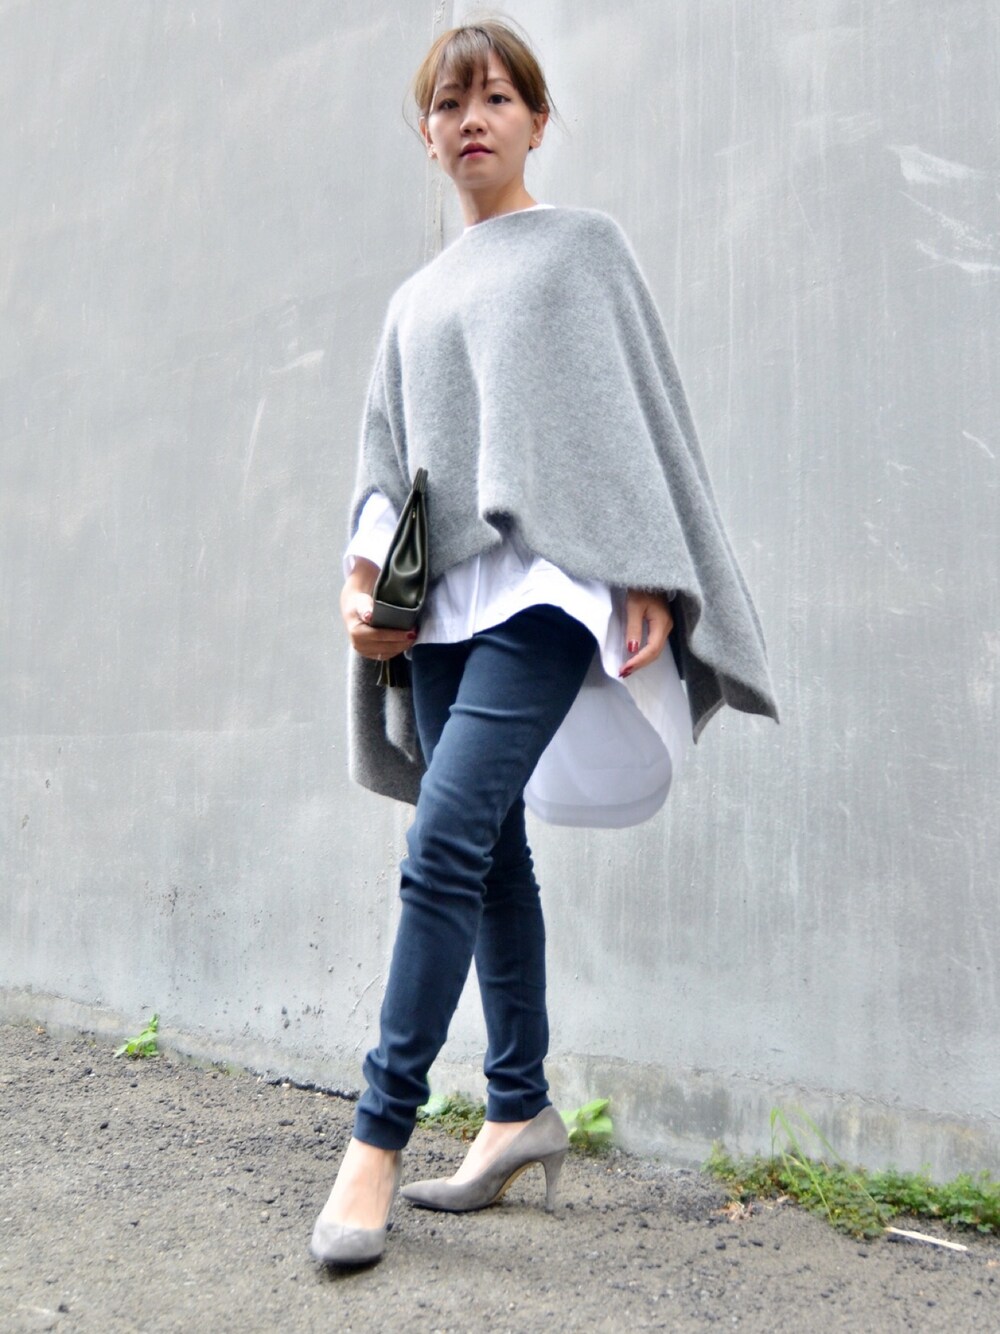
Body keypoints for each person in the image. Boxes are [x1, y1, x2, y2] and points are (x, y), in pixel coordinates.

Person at [311, 19, 778, 1267]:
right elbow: (385, 466)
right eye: (448, 102)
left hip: (546, 593)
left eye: (497, 97)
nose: (472, 117)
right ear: (427, 134)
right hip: (442, 608)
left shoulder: (581, 248)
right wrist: (360, 584)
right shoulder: (413, 301)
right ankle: (519, 1105)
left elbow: (627, 421)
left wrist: (647, 569)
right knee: (490, 856)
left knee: (441, 844)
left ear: (536, 119)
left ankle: (375, 1137)